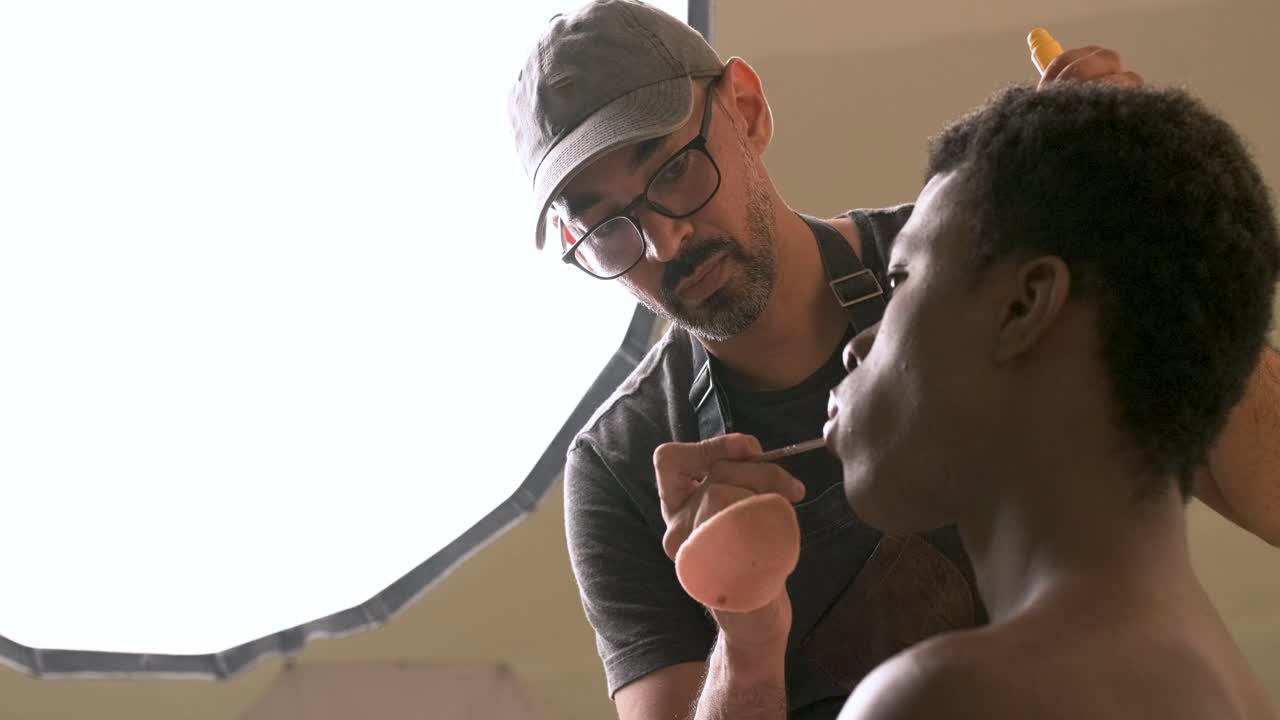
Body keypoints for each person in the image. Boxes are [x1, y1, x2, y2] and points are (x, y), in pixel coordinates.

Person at [506, 2, 1280, 717]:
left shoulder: (975, 262)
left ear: (746, 107)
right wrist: (746, 642)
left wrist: (1137, 224)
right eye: (606, 227)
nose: (663, 240)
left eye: (673, 170)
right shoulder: (622, 468)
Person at [827, 82, 1279, 720]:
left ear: (1023, 306)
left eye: (900, 278)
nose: (856, 347)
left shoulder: (944, 699)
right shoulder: (1229, 692)